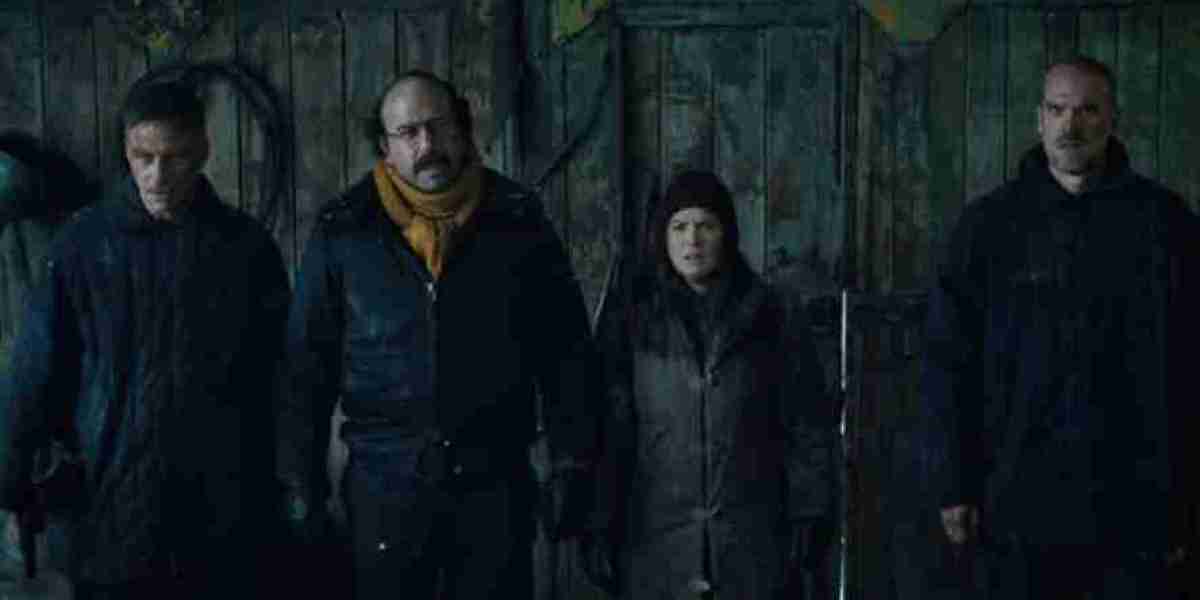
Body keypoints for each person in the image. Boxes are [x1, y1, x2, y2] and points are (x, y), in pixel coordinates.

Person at [278, 69, 603, 599]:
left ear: (463, 128)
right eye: (408, 133)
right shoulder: (344, 229)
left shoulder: (517, 221)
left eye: (438, 126)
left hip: (494, 487)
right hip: (385, 490)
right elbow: (304, 369)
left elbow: (565, 353)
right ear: (385, 148)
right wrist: (300, 482)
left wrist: (573, 461)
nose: (426, 145)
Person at [921, 56, 1199, 598]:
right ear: (1039, 119)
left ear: (1112, 119)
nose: (1070, 126)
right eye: (1057, 109)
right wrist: (953, 483)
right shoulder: (988, 227)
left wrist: (1185, 499)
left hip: (1135, 504)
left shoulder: (1165, 225)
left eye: (1087, 110)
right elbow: (948, 361)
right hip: (1017, 502)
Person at [0, 80, 290, 599]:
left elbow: (280, 378)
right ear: (126, 151)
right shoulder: (81, 246)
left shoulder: (245, 250)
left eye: (174, 158)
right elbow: (35, 369)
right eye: (144, 157)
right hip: (109, 510)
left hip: (221, 516)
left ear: (202, 150)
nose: (157, 175)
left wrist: (292, 487)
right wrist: (11, 479)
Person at [587, 170, 834, 600]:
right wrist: (599, 520)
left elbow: (806, 421)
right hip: (657, 543)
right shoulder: (635, 320)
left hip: (752, 544)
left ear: (727, 234)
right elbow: (612, 428)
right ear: (663, 238)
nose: (693, 240)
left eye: (706, 225)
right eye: (679, 227)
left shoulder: (772, 314)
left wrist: (810, 509)